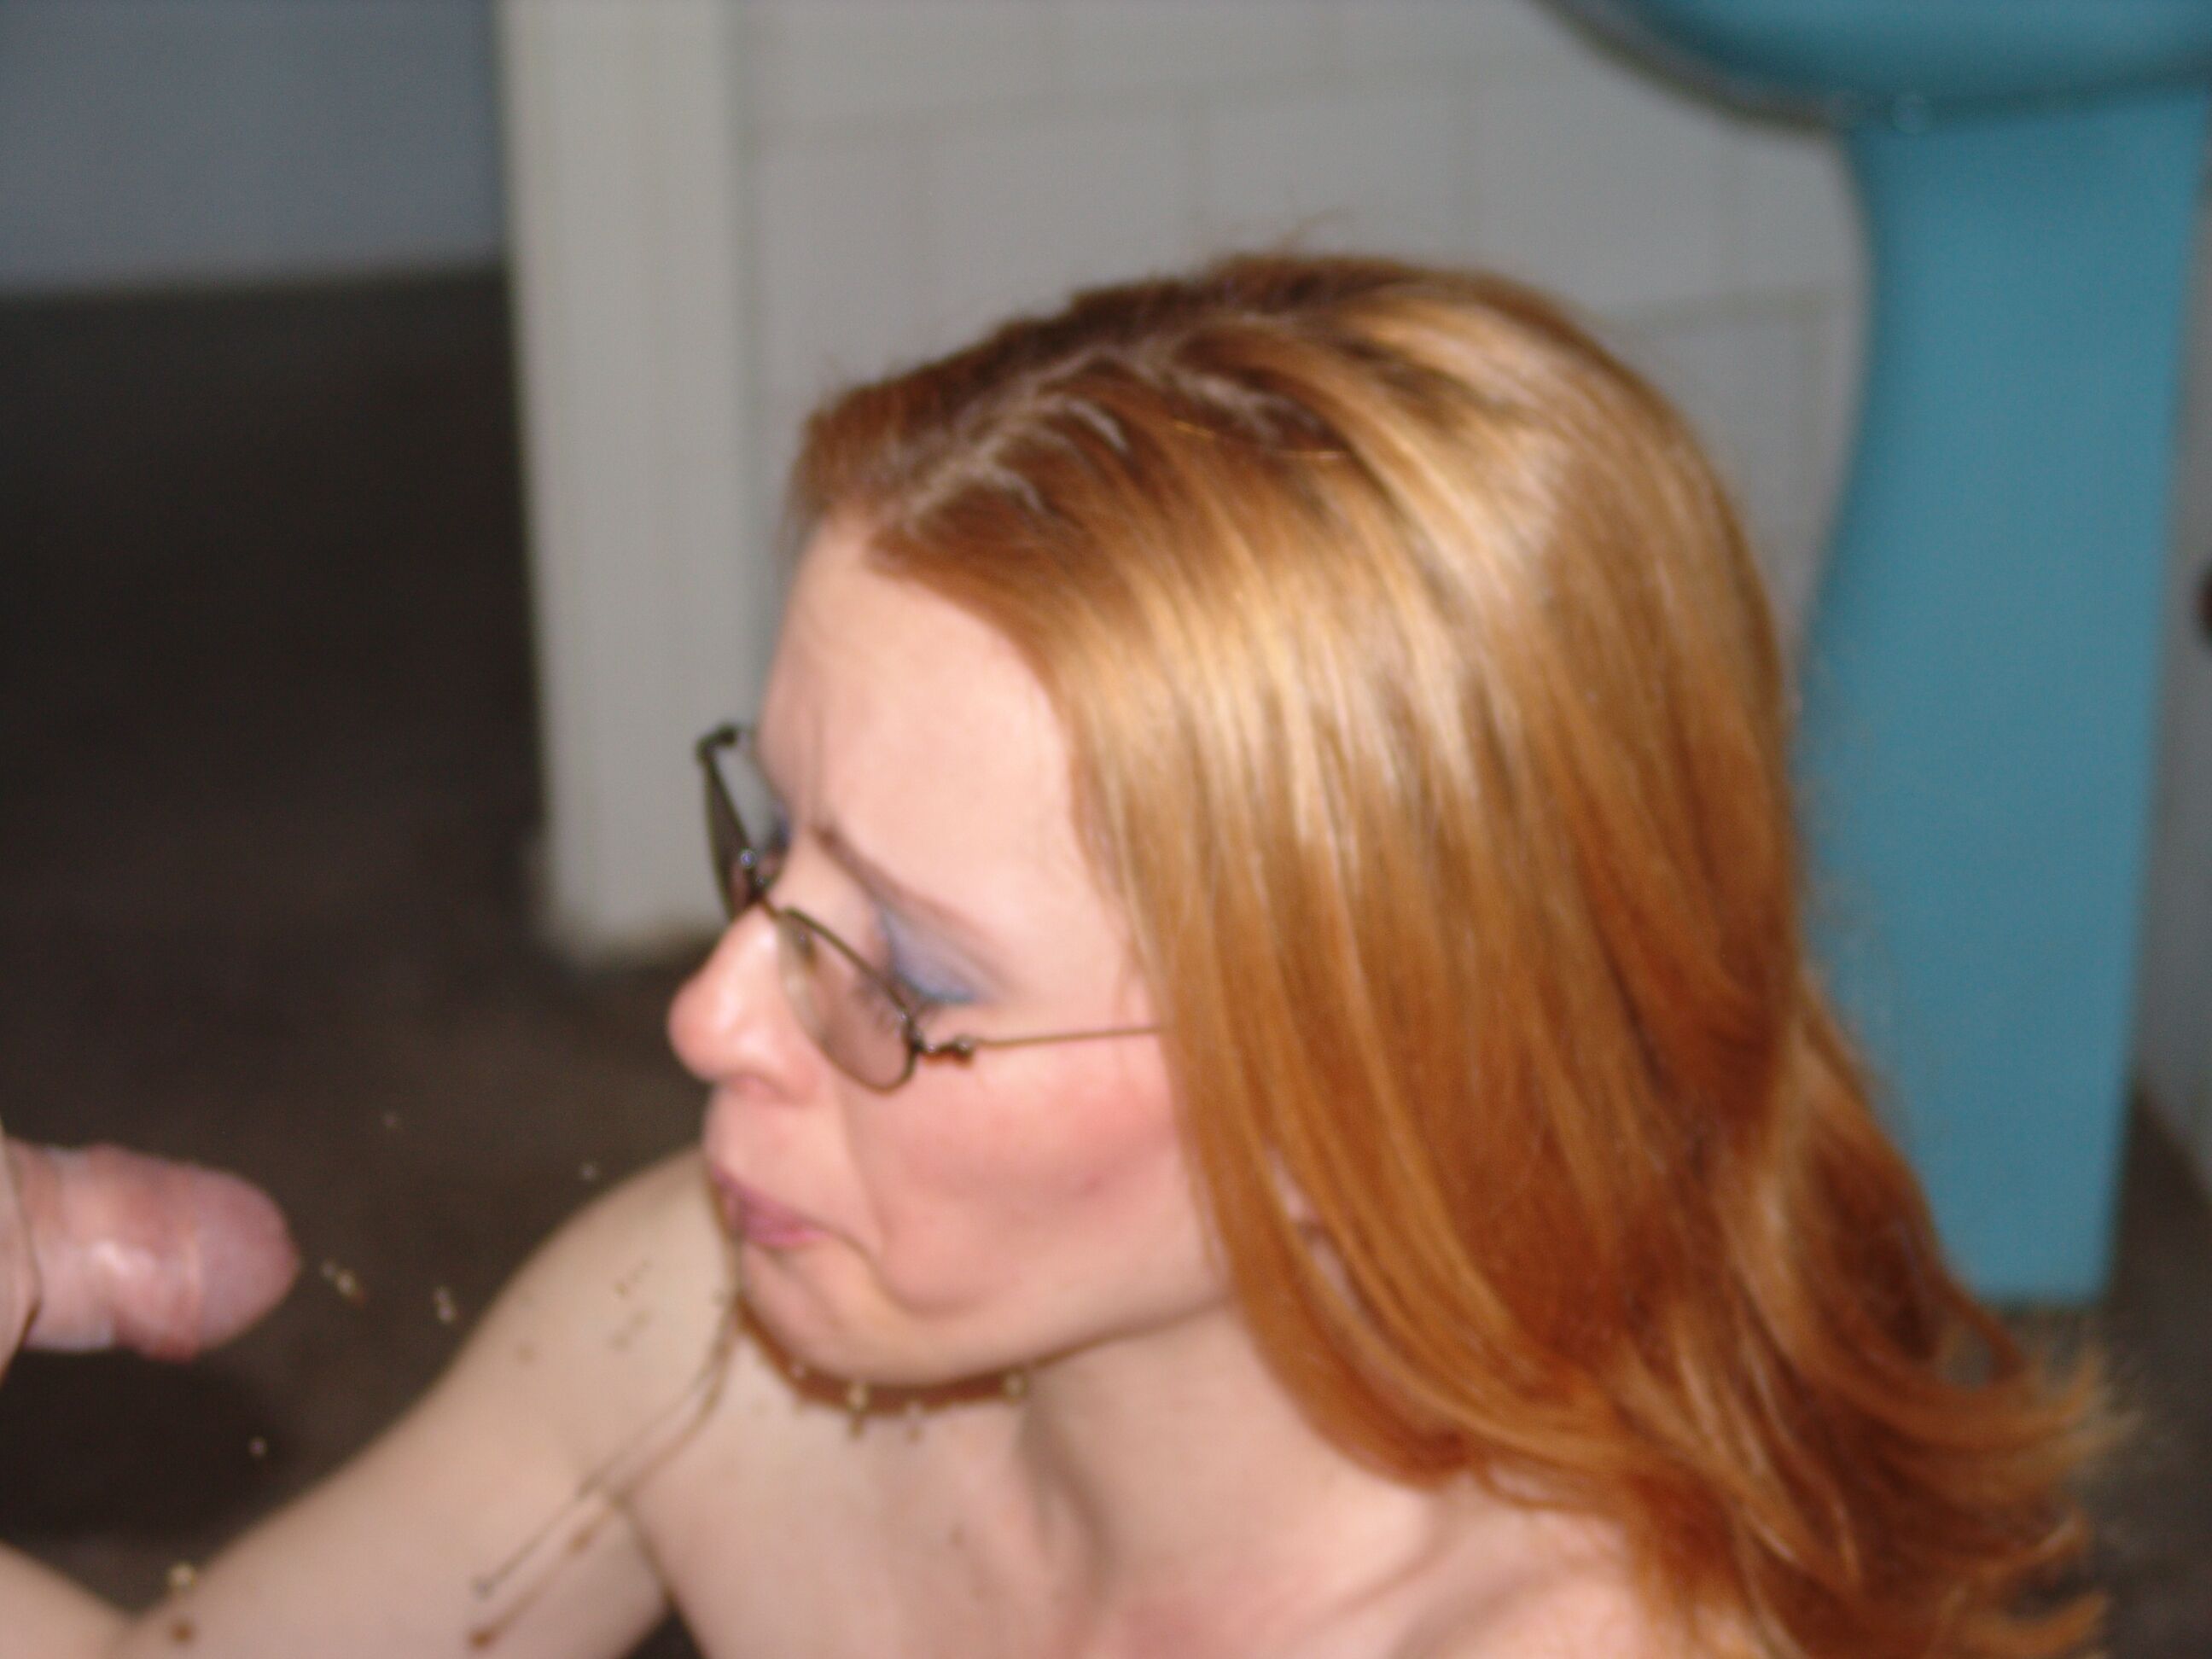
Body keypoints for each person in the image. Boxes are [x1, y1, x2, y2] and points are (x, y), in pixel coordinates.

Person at [0, 253, 2104, 1658]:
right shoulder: (709, 1337)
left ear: (1371, 1092)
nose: (710, 1012)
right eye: (776, 841)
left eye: (910, 976)